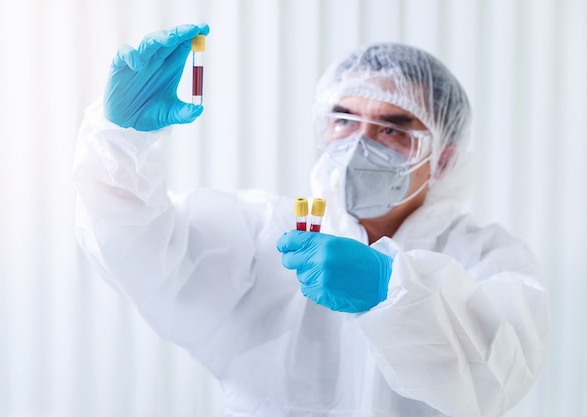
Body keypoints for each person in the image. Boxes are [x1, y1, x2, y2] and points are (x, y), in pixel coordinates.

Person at [74, 23, 549, 417]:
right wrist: (119, 142)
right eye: (343, 120)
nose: (359, 144)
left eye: (390, 128)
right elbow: (143, 252)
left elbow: (494, 381)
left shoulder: (489, 259)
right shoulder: (266, 232)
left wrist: (398, 290)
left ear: (443, 160)